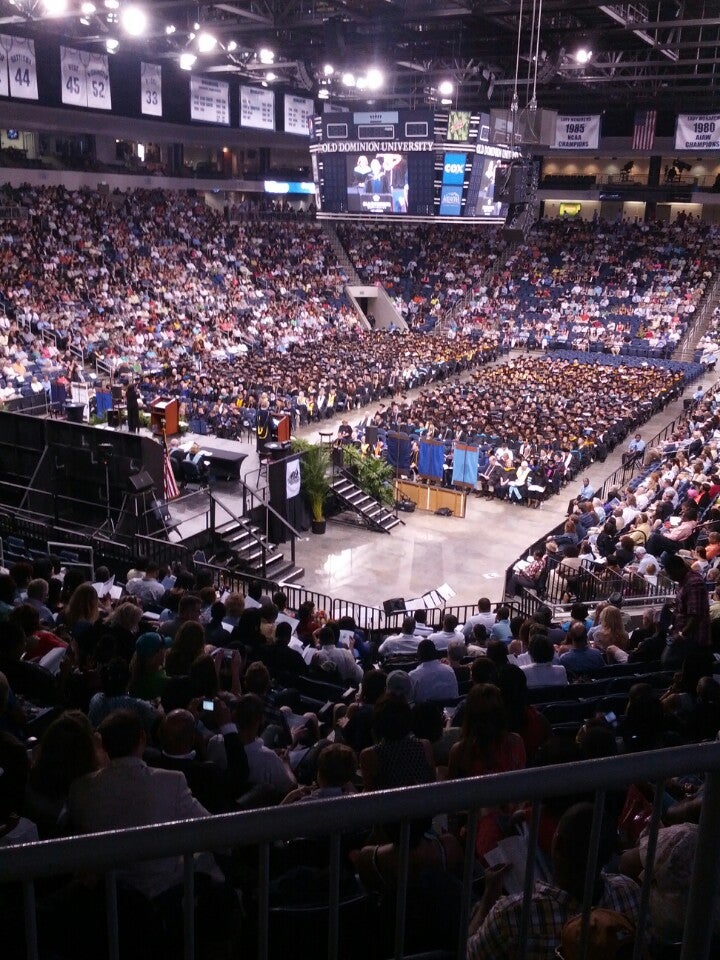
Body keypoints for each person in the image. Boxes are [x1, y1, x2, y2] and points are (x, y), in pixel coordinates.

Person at [68, 709, 216, 899]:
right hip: (160, 890)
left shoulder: (80, 788)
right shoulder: (172, 781)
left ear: (103, 745)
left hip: (107, 894)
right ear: (142, 739)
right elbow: (210, 827)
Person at [467, 802, 640, 960]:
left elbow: (469, 954)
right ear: (610, 854)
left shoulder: (512, 915)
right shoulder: (629, 893)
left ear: (557, 844)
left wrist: (488, 897)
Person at [662, 554, 711, 664]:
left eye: (671, 574)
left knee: (671, 663)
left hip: (693, 638)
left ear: (679, 568)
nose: (670, 577)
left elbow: (695, 615)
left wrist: (682, 635)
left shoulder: (694, 583)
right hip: (683, 635)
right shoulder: (684, 580)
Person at [408, 639, 459, 703]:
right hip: (451, 711)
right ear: (435, 653)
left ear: (418, 655)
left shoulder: (413, 676)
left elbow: (410, 700)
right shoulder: (449, 670)